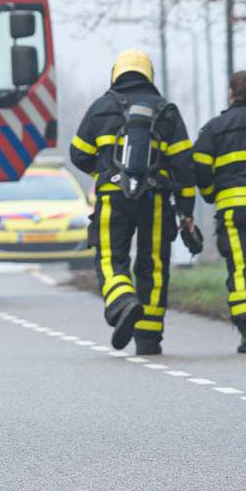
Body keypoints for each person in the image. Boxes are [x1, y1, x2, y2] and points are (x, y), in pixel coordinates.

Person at [70, 49, 196, 354]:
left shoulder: (101, 109)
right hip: (155, 197)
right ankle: (149, 337)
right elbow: (184, 168)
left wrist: (104, 172)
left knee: (111, 257)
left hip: (113, 196)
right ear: (148, 74)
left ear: (116, 73)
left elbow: (78, 154)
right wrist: (186, 213)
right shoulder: (166, 111)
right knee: (152, 263)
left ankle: (123, 301)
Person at [193, 70, 246, 353]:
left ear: (231, 92)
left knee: (242, 267)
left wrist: (211, 194)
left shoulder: (215, 128)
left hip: (234, 211)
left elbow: (199, 166)